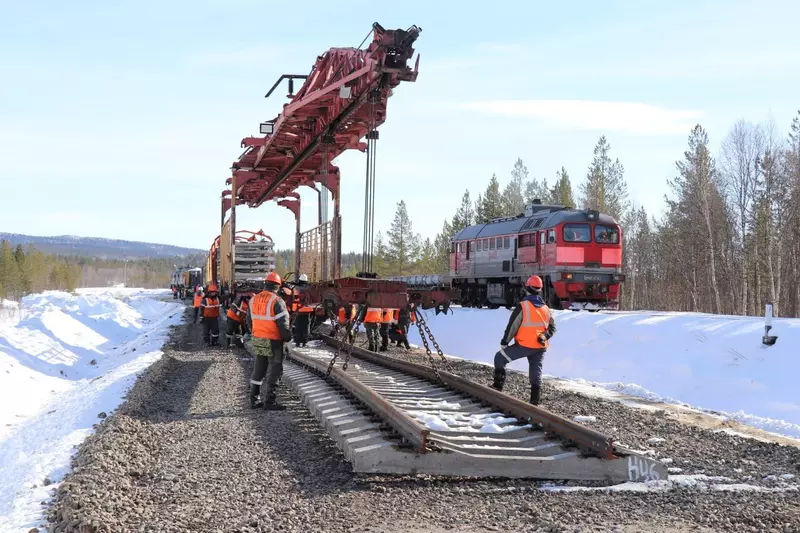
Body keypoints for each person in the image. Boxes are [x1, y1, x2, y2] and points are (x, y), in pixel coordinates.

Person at [491, 275, 556, 405]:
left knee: (499, 358)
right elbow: (552, 328)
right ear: (540, 290)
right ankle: (534, 400)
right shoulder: (546, 308)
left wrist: (505, 342)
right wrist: (544, 336)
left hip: (524, 345)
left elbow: (513, 326)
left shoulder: (523, 306)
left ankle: (497, 388)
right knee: (536, 371)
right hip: (540, 346)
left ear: (527, 288)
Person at [247, 272, 292, 410]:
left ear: (265, 284)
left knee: (259, 368)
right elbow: (283, 324)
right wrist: (287, 337)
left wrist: (256, 333)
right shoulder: (277, 301)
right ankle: (270, 401)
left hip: (258, 338)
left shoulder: (253, 300)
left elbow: (249, 321)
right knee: (275, 369)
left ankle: (254, 399)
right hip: (273, 340)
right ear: (277, 287)